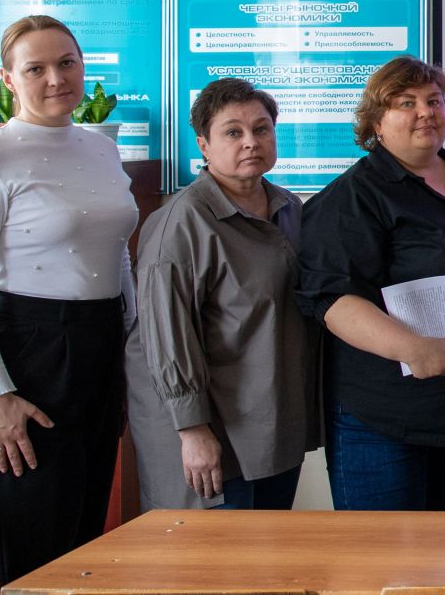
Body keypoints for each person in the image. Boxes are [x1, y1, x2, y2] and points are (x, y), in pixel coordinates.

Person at [0, 14, 137, 582]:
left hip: (97, 348)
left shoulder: (100, 147)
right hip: (24, 355)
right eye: (36, 68)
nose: (56, 78)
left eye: (67, 63)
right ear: (8, 79)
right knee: (35, 562)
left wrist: (128, 340)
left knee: (81, 552)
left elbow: (116, 251)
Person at [298, 57, 445, 510]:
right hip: (382, 421)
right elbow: (331, 299)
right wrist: (409, 347)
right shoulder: (353, 196)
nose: (426, 112)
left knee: (442, 550)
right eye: (406, 103)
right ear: (376, 123)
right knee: (383, 552)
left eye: (435, 101)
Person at [126, 78, 315, 510]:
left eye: (261, 129)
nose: (251, 142)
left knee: (269, 548)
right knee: (211, 550)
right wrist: (192, 430)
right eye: (233, 132)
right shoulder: (181, 223)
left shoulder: (288, 208)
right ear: (204, 146)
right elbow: (166, 338)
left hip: (270, 423)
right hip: (204, 430)